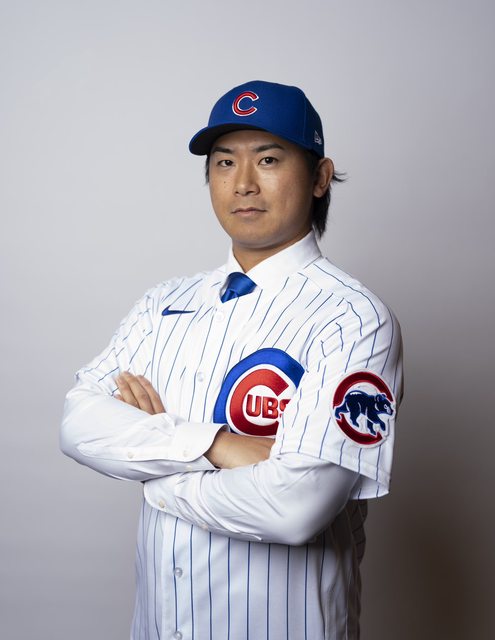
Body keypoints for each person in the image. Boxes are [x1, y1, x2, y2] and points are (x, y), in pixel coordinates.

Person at [61, 80, 403, 640]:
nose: (243, 183)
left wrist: (157, 477)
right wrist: (214, 445)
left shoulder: (353, 318)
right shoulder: (163, 303)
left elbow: (296, 508)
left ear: (320, 177)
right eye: (224, 162)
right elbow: (78, 422)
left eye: (268, 159)